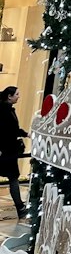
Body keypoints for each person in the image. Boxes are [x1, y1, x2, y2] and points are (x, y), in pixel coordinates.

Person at [0, 85, 27, 219]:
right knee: (13, 178)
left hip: (8, 150)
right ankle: (20, 208)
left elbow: (14, 129)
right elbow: (10, 131)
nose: (18, 96)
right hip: (6, 150)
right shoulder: (5, 112)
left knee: (13, 178)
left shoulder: (8, 110)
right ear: (9, 96)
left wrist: (25, 134)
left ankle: (20, 207)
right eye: (16, 94)